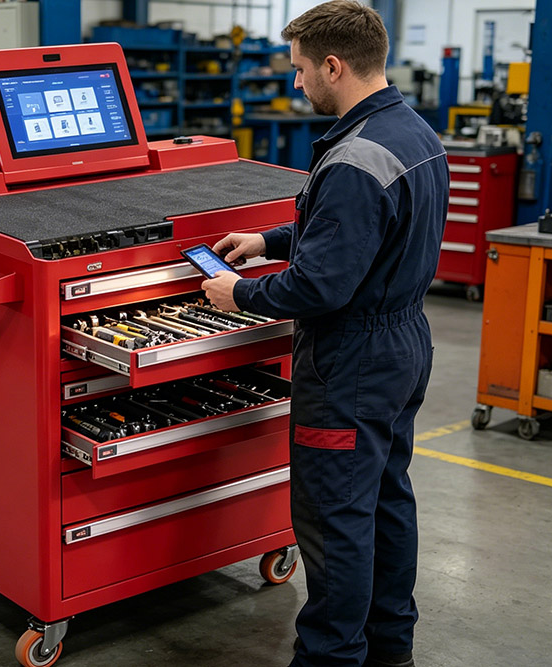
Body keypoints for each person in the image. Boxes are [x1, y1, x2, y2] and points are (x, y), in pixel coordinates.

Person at [201, 2, 448, 666]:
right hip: (405, 344)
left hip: (351, 362)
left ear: (333, 65)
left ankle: (330, 656)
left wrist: (238, 291)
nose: (297, 82)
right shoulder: (411, 132)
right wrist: (270, 237)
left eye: (301, 68)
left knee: (335, 519)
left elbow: (319, 286)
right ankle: (390, 648)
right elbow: (359, 230)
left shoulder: (352, 156)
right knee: (387, 500)